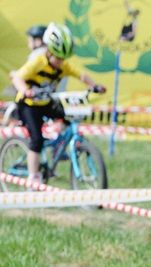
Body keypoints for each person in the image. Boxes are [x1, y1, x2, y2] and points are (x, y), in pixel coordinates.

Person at [10, 23, 106, 185]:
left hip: (46, 102)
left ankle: (57, 148)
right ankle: (33, 178)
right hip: (28, 104)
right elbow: (17, 77)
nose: (60, 62)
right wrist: (26, 90)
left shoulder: (63, 66)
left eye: (63, 59)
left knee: (67, 120)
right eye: (58, 58)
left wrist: (94, 86)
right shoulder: (37, 62)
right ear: (48, 51)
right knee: (37, 140)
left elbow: (81, 75)